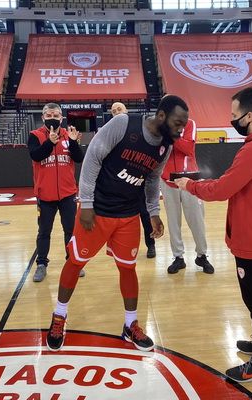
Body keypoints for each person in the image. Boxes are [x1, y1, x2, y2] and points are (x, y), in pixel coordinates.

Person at [45, 95, 189, 352]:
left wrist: (154, 212)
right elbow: (92, 159)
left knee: (128, 268)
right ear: (162, 116)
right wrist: (86, 203)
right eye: (178, 124)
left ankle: (130, 325)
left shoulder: (164, 146)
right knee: (75, 261)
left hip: (128, 215)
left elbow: (152, 179)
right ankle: (59, 315)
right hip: (98, 211)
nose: (180, 131)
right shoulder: (123, 124)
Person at [175, 87, 252, 382]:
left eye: (234, 115)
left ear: (249, 116)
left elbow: (222, 189)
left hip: (251, 235)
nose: (232, 119)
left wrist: (189, 185)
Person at [28, 103, 85, 282]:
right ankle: (41, 264)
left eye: (56, 115)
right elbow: (35, 155)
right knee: (44, 231)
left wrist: (74, 142)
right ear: (43, 117)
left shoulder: (69, 135)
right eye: (49, 115)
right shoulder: (35, 135)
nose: (52, 118)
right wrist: (49, 143)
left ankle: (72, 261)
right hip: (45, 194)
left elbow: (79, 158)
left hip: (67, 193)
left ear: (61, 118)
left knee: (70, 229)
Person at [161, 118, 214, 274]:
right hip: (167, 180)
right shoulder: (160, 126)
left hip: (190, 180)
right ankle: (178, 257)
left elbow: (188, 148)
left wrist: (171, 134)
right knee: (173, 221)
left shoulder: (190, 123)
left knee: (197, 220)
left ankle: (202, 255)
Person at [109, 101, 156, 258]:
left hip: (138, 181)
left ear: (126, 111)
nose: (117, 112)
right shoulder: (109, 133)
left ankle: (151, 245)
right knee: (118, 218)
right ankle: (118, 247)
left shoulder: (139, 129)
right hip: (118, 184)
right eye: (114, 111)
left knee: (145, 215)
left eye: (119, 109)